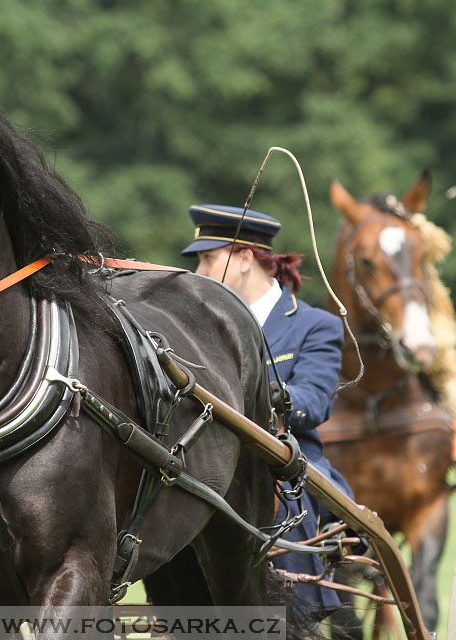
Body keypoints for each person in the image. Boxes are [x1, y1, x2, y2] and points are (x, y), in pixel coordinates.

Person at [181, 203, 355, 619]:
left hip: (286, 460)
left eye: (209, 259)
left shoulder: (315, 325)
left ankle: (297, 611)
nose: (199, 273)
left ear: (244, 259)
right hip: (208, 458)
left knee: (286, 489)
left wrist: (261, 393)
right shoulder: (192, 324)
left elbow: (313, 402)